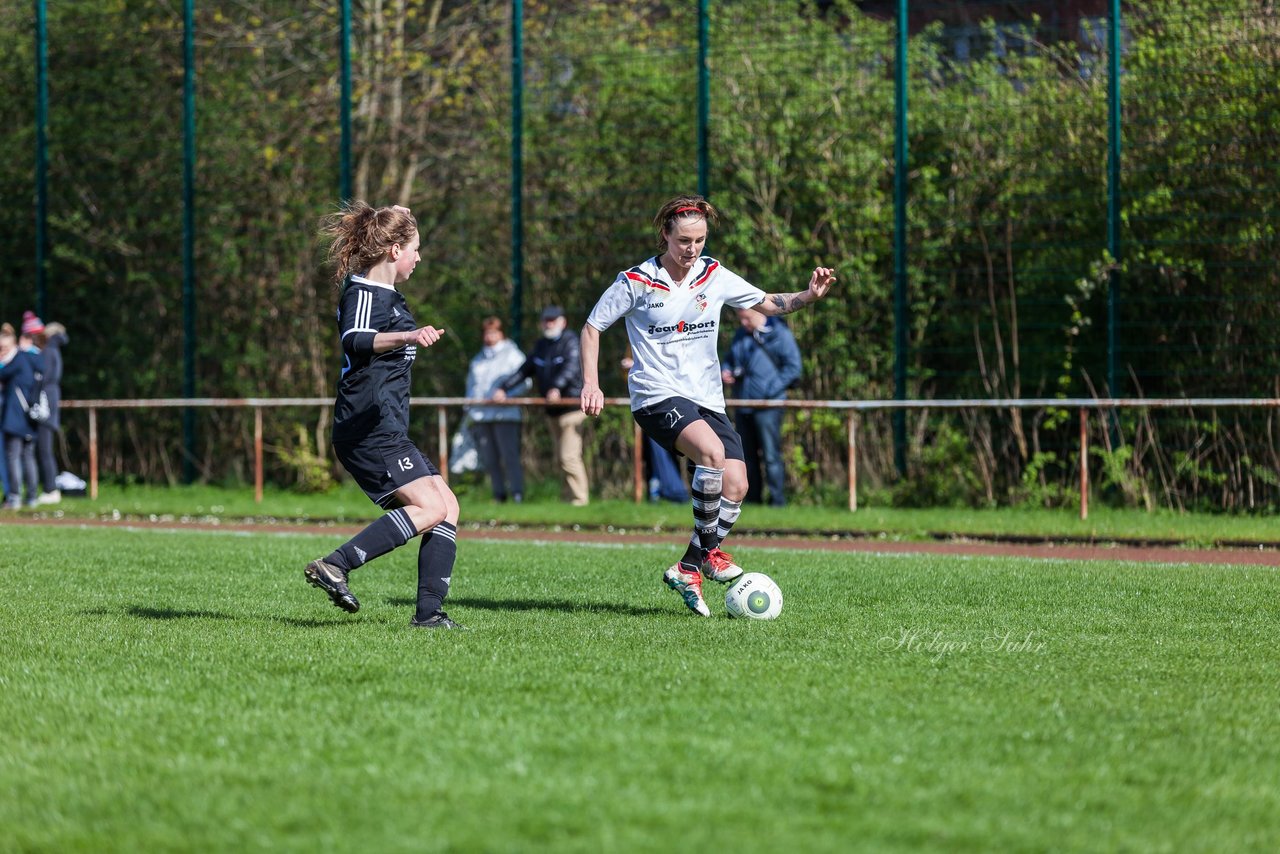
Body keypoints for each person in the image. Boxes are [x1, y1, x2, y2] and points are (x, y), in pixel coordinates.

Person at [580, 194, 835, 616]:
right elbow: (592, 327)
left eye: (699, 240)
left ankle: (689, 565)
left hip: (706, 398)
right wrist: (591, 383)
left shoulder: (713, 274)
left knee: (737, 482)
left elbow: (769, 303)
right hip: (656, 393)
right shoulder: (636, 281)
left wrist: (809, 295)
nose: (692, 248)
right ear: (665, 235)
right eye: (683, 240)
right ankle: (713, 551)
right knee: (712, 454)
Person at [305, 201, 464, 629]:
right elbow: (355, 339)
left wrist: (398, 211)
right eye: (415, 247)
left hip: (386, 426)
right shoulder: (363, 291)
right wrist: (409, 335)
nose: (419, 256)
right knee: (431, 507)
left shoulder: (389, 295)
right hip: (366, 426)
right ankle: (336, 564)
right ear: (394, 251)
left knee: (447, 506)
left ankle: (430, 616)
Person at [493, 305, 590, 506]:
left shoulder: (571, 341)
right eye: (546, 320)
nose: (549, 323)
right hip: (552, 411)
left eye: (553, 320)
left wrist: (556, 387)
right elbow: (524, 371)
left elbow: (571, 368)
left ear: (563, 322)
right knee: (560, 459)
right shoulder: (541, 346)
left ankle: (580, 500)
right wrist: (503, 387)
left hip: (571, 408)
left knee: (569, 457)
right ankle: (568, 499)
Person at [722, 309, 802, 506]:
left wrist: (770, 390)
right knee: (746, 456)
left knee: (771, 455)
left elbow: (794, 368)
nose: (743, 323)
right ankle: (752, 500)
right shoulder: (741, 336)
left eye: (747, 318)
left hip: (769, 406)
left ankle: (777, 502)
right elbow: (730, 360)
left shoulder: (780, 334)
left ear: (758, 312)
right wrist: (727, 371)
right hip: (743, 404)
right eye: (741, 319)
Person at [465, 316, 527, 503]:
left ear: (501, 333)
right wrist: (469, 408)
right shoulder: (478, 359)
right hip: (482, 415)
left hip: (505, 414)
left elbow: (525, 382)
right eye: (486, 332)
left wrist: (506, 395)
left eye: (493, 332)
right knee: (490, 459)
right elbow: (471, 386)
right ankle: (498, 495)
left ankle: (517, 494)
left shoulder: (514, 355)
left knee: (510, 457)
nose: (489, 336)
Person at [0, 322, 42, 509]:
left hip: (16, 416)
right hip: (30, 415)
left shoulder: (17, 360)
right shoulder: (33, 360)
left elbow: (3, 373)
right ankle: (32, 496)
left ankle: (15, 496)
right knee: (28, 457)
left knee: (14, 456)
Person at [30, 318, 67, 505]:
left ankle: (50, 489)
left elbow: (43, 378)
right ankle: (49, 488)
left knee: (44, 450)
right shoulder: (54, 351)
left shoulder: (49, 351)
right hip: (51, 402)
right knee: (45, 449)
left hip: (46, 405)